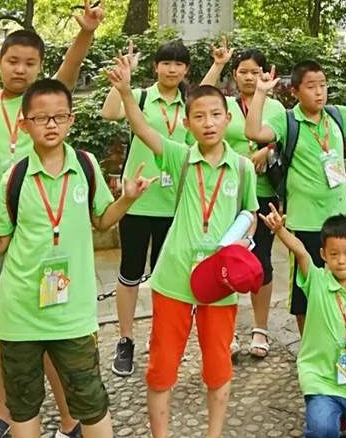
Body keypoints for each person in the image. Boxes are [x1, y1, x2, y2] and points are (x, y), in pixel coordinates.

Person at [0, 79, 154, 438]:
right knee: (23, 405)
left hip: (73, 315)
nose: (51, 124)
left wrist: (127, 199)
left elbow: (102, 220)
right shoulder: (15, 176)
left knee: (90, 401)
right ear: (25, 124)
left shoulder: (85, 166)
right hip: (20, 313)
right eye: (41, 118)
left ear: (71, 120)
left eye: (60, 116)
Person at [0, 1, 104, 438]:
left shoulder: (42, 103)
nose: (20, 69)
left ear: (39, 68)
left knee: (51, 328)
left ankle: (70, 418)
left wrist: (85, 33)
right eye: (13, 61)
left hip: (41, 237)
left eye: (30, 63)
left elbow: (69, 70)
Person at [106, 56, 258, 438]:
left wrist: (243, 238)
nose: (209, 123)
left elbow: (250, 214)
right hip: (173, 278)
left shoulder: (242, 168)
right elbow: (143, 129)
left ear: (228, 119)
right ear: (187, 124)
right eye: (199, 117)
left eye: (216, 115)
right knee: (162, 367)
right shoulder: (180, 158)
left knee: (218, 367)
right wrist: (125, 92)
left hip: (219, 282)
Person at [244, 60, 346, 334]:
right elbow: (254, 132)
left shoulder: (336, 115)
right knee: (305, 291)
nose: (319, 92)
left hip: (342, 219)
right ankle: (310, 345)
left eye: (323, 85)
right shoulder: (288, 121)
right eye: (311, 86)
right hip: (305, 221)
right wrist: (260, 92)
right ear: (295, 91)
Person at [261, 207, 346, 438]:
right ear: (323, 254)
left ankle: (342, 415)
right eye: (334, 254)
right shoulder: (317, 282)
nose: (341, 261)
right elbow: (301, 251)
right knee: (322, 429)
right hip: (321, 382)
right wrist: (280, 230)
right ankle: (328, 416)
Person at [101, 40, 191, 376]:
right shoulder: (139, 97)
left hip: (175, 203)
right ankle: (125, 340)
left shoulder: (190, 104)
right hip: (137, 200)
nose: (172, 69)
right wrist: (121, 82)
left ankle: (162, 338)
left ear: (186, 69)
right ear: (155, 66)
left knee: (166, 276)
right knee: (130, 271)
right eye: (166, 62)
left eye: (178, 64)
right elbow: (110, 113)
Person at [200, 38, 286, 358]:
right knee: (225, 259)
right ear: (234, 75)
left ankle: (260, 328)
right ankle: (229, 328)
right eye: (243, 72)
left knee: (261, 260)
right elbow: (200, 98)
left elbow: (287, 140)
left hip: (263, 195)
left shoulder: (276, 108)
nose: (249, 77)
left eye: (255, 72)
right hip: (226, 194)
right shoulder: (224, 105)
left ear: (264, 74)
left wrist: (268, 149)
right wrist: (218, 63)